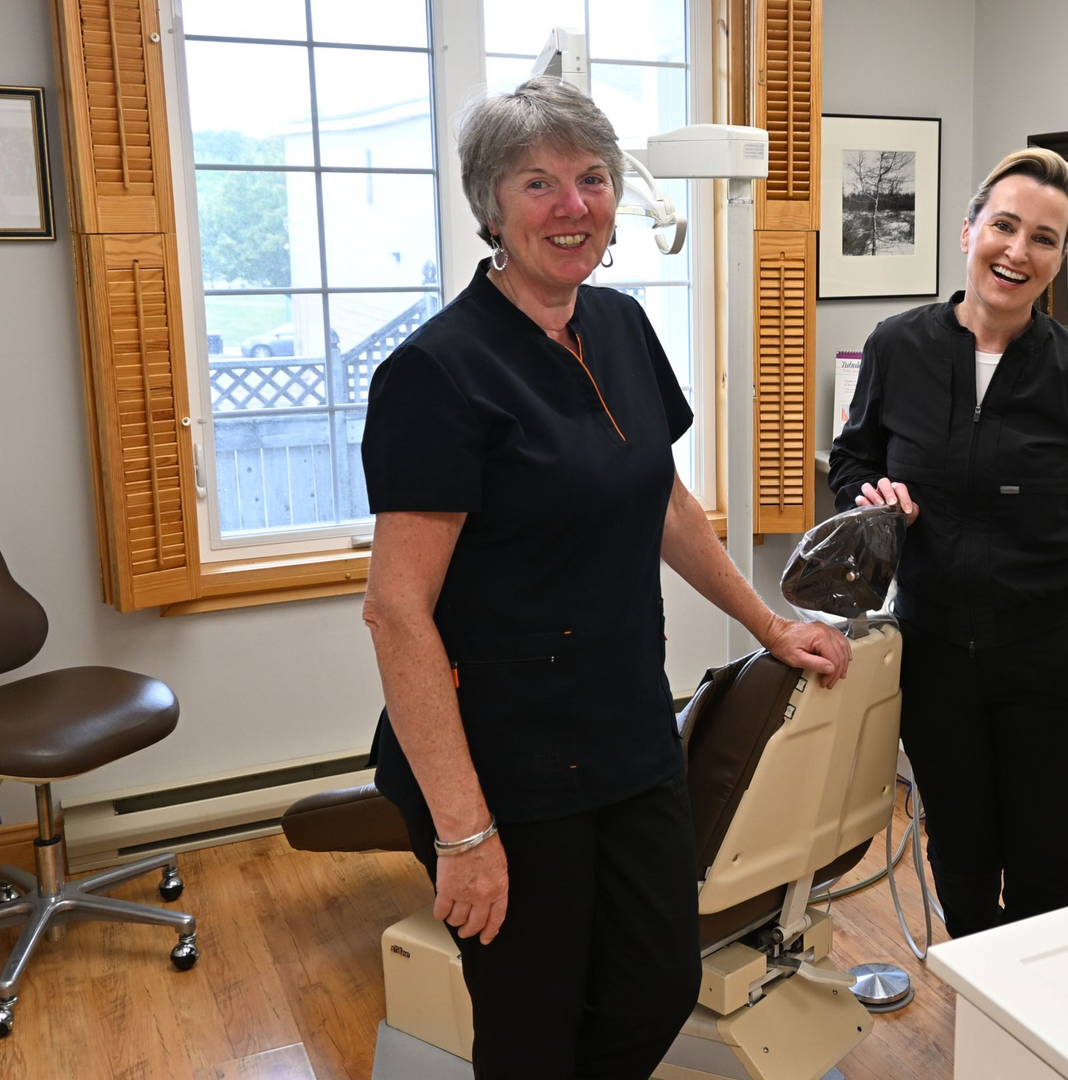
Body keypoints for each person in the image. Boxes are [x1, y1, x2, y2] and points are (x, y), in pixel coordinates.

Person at [360, 77, 851, 1080]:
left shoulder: (620, 327)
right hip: (500, 757)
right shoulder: (437, 373)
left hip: (626, 726)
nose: (572, 206)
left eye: (592, 179)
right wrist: (463, 830)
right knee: (534, 1021)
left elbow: (661, 499)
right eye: (538, 183)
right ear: (491, 207)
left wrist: (767, 622)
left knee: (653, 982)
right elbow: (395, 608)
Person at [828, 148, 1068, 939]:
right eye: (1004, 226)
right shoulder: (897, 346)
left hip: (1049, 661)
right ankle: (981, 1018)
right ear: (968, 230)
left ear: (1061, 260)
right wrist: (870, 498)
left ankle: (1034, 1037)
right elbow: (852, 460)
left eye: (1043, 238)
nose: (1017, 251)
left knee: (1041, 858)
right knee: (960, 854)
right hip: (936, 653)